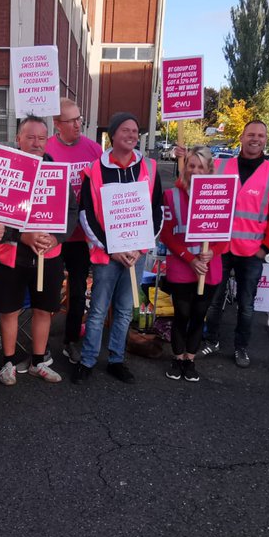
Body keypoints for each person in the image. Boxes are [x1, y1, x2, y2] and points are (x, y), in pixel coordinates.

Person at [71, 112, 163, 384]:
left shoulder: (149, 168)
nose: (132, 135)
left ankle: (116, 360)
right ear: (113, 134)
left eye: (135, 131)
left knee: (124, 310)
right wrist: (112, 248)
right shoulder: (95, 169)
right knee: (98, 310)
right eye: (126, 130)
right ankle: (87, 360)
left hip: (136, 254)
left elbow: (157, 211)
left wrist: (141, 246)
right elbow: (87, 215)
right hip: (106, 254)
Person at [201, 120, 269, 368]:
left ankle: (241, 348)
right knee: (215, 299)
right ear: (241, 137)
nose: (255, 139)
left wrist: (266, 249)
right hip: (220, 247)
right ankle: (212, 340)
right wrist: (182, 159)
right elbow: (198, 187)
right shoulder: (219, 165)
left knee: (246, 304)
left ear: (265, 140)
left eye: (261, 135)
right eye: (251, 134)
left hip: (252, 251)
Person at [0, 115, 65, 386]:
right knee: (9, 310)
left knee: (43, 310)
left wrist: (56, 238)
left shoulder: (57, 172)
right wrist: (23, 236)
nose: (36, 143)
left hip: (49, 255)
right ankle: (7, 362)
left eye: (42, 138)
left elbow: (71, 211)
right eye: (30, 137)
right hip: (12, 254)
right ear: (18, 138)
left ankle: (37, 362)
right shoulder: (5, 170)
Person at [159, 146, 225, 382]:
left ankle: (190, 359)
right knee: (182, 314)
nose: (195, 170)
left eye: (200, 167)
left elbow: (225, 239)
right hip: (182, 266)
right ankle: (177, 358)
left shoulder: (221, 197)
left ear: (209, 170)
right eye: (191, 165)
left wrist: (212, 252)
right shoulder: (171, 196)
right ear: (185, 167)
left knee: (199, 315)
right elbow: (166, 235)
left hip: (209, 269)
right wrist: (190, 258)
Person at [45, 98, 102, 363]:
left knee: (79, 291)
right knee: (49, 290)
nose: (79, 124)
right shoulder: (45, 150)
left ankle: (70, 341)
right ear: (57, 125)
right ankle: (41, 345)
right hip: (53, 235)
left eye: (80, 119)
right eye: (72, 120)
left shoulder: (94, 150)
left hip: (81, 234)